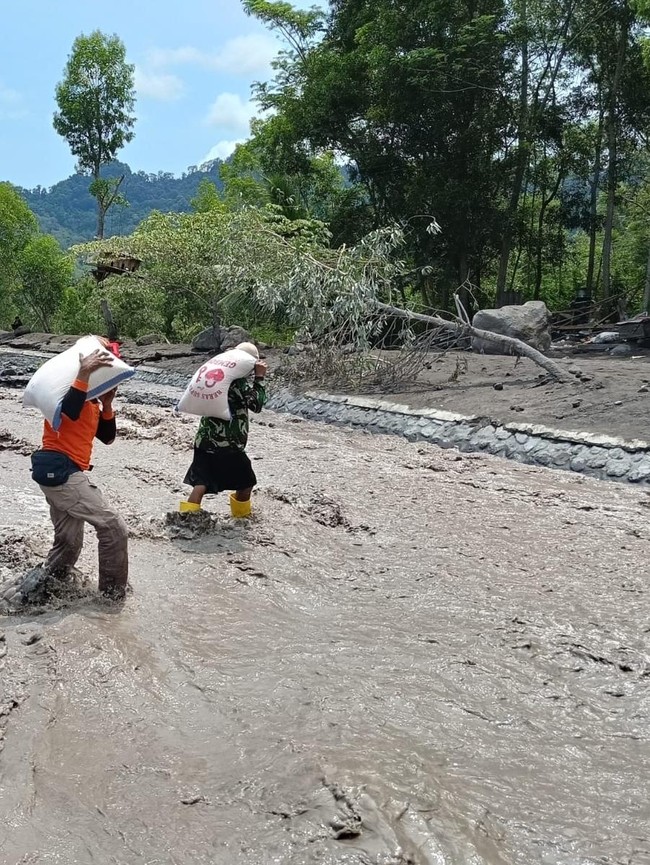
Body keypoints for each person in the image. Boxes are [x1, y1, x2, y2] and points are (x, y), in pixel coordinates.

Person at [30, 340, 129, 599]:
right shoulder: (68, 395)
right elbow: (70, 412)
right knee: (114, 527)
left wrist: (107, 406)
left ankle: (39, 589)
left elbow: (107, 438)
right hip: (61, 471)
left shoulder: (92, 403)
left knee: (69, 543)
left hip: (60, 472)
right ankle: (112, 599)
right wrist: (84, 372)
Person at [180, 342, 267, 518]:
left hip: (204, 440)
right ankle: (241, 521)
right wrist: (259, 379)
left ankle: (185, 520)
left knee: (201, 484)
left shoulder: (217, 377)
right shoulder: (237, 382)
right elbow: (256, 405)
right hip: (227, 444)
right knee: (246, 483)